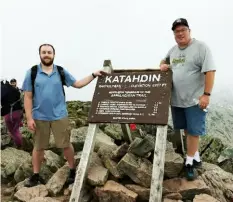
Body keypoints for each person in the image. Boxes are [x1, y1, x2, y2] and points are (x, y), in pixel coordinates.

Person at [22, 43, 107, 187]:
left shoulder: (60, 71)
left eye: (49, 52)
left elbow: (78, 84)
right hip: (39, 117)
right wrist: (29, 118)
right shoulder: (32, 72)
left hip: (60, 115)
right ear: (40, 55)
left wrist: (93, 75)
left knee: (66, 144)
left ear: (54, 54)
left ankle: (72, 170)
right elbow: (28, 97)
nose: (46, 54)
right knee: (38, 147)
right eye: (44, 52)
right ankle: (36, 175)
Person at [159, 18, 216, 180]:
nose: (180, 33)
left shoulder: (200, 48)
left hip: (195, 100)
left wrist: (206, 94)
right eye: (176, 31)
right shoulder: (173, 50)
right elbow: (164, 60)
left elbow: (210, 71)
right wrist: (163, 65)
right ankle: (195, 156)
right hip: (177, 100)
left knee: (193, 131)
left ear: (189, 31)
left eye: (183, 30)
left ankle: (189, 162)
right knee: (185, 129)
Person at [1, 80, 23, 147]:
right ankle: (19, 143)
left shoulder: (2, 91)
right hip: (18, 112)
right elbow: (21, 100)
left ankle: (19, 146)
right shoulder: (17, 90)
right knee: (16, 130)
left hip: (8, 114)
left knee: (13, 131)